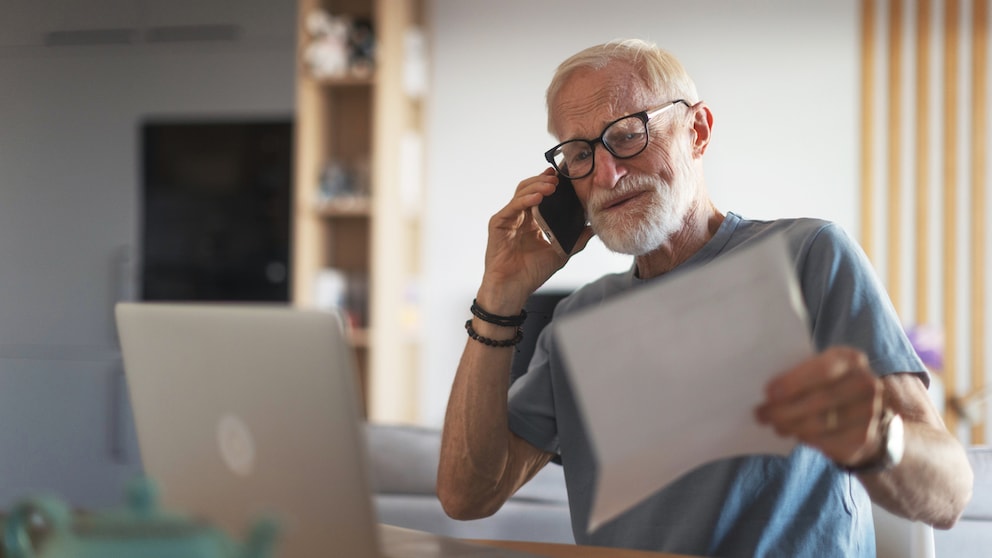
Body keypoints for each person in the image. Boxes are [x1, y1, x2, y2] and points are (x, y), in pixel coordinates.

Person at [436, 39, 973, 557]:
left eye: (626, 135)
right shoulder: (577, 321)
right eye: (580, 153)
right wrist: (500, 294)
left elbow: (949, 495)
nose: (607, 173)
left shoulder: (808, 255)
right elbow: (468, 495)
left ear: (697, 130)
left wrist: (879, 436)